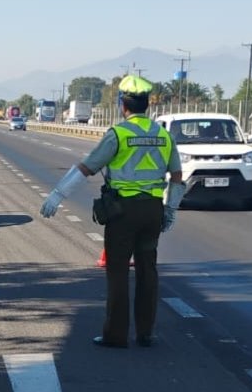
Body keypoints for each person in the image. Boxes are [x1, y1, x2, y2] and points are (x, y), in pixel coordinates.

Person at [40, 74, 185, 348]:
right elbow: (177, 177)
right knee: (148, 270)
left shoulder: (118, 134)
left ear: (122, 104)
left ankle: (116, 335)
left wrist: (58, 194)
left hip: (123, 212)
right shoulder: (164, 135)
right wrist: (171, 210)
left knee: (118, 271)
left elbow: (87, 167)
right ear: (147, 105)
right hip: (152, 211)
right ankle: (146, 333)